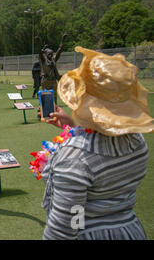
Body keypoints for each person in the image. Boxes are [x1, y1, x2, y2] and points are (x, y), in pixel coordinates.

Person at [39, 47, 153, 240]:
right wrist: (72, 124)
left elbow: (64, 230)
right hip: (129, 231)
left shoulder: (75, 158)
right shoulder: (138, 142)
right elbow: (107, 134)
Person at [36, 33, 67, 103]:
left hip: (53, 81)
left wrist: (63, 40)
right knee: (46, 97)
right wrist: (38, 42)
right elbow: (39, 52)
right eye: (49, 54)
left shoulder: (53, 60)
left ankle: (55, 110)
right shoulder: (43, 60)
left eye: (52, 54)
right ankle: (46, 111)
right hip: (45, 81)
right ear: (46, 55)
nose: (51, 55)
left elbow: (59, 50)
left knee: (54, 97)